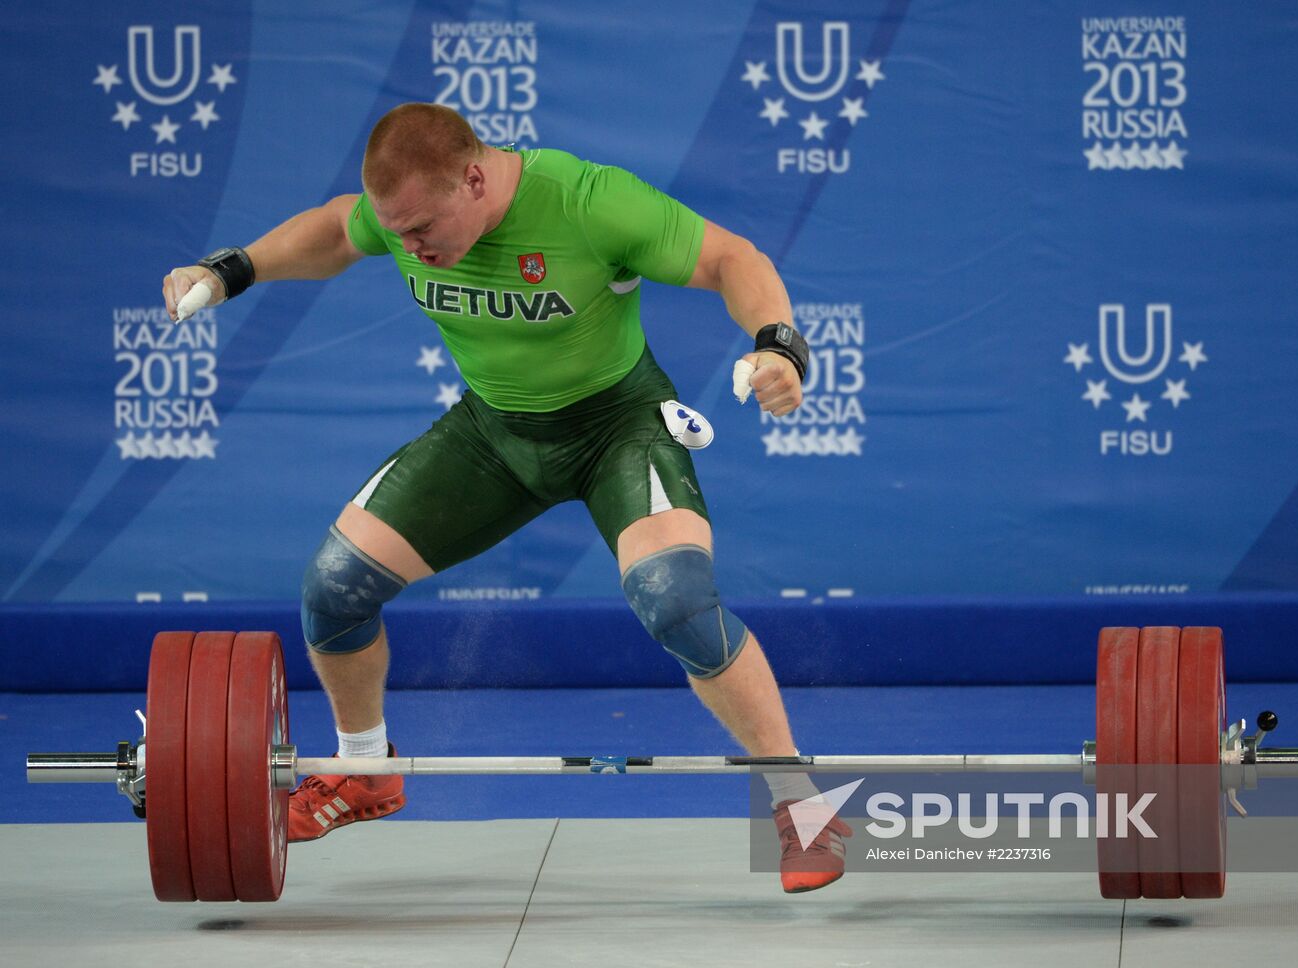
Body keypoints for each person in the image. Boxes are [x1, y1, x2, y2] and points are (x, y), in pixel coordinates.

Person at [162, 103, 850, 893]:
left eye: (421, 227)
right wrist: (226, 271)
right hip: (494, 435)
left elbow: (734, 258)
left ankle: (802, 808)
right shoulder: (401, 216)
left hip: (618, 427)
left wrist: (778, 346)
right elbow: (329, 231)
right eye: (399, 233)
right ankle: (364, 771)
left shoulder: (589, 202)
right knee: (334, 587)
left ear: (476, 177)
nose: (411, 247)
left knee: (678, 599)